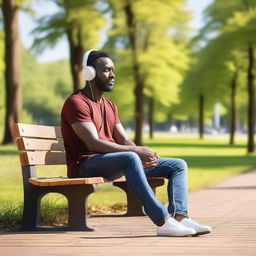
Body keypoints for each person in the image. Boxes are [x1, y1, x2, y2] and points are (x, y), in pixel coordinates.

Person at [61, 49, 211, 237]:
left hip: (113, 162)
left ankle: (180, 217)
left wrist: (140, 153)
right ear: (90, 73)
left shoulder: (109, 105)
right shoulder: (77, 103)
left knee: (177, 165)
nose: (113, 75)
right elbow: (92, 143)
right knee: (130, 157)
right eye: (107, 70)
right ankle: (163, 221)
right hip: (85, 164)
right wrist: (136, 153)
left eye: (113, 70)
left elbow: (123, 139)